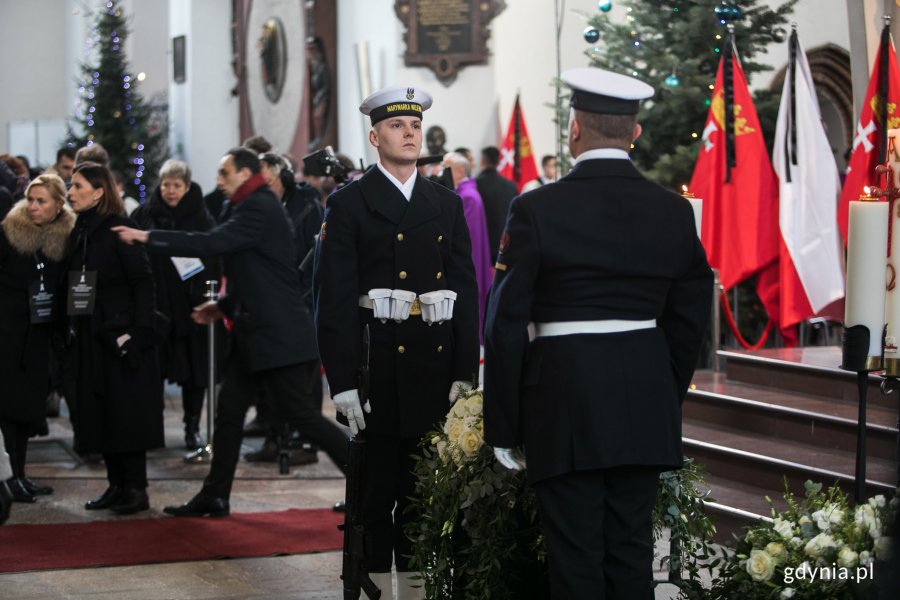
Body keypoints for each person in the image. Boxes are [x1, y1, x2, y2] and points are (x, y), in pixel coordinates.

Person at [483, 67, 713, 599]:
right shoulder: (674, 211)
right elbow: (689, 319)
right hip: (643, 403)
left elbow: (505, 325)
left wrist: (504, 424)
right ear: (634, 132)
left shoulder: (536, 208)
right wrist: (663, 389)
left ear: (574, 130)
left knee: (574, 557)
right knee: (632, 552)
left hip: (563, 404)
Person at [112, 147, 350, 518]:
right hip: (253, 333)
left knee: (303, 418)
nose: (218, 181)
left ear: (245, 173)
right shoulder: (244, 206)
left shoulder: (258, 206)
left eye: (224, 174)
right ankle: (215, 495)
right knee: (228, 415)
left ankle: (371, 481)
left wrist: (146, 237)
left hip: (279, 335)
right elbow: (251, 272)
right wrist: (222, 306)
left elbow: (209, 243)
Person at [314, 85, 480, 599]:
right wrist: (340, 382)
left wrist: (463, 372)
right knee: (374, 498)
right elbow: (334, 299)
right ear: (374, 136)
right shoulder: (349, 204)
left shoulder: (444, 204)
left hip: (431, 370)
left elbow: (464, 291)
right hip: (375, 366)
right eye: (396, 126)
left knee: (421, 498)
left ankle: (413, 592)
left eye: (414, 127)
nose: (409, 133)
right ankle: (378, 590)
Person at [64, 161, 164, 515]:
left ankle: (136, 488)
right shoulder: (83, 229)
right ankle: (116, 485)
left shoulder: (121, 226)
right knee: (101, 410)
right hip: (92, 333)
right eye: (70, 185)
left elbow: (142, 280)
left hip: (120, 334)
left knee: (125, 412)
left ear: (99, 191)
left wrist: (138, 332)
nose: (70, 192)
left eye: (77, 186)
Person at [131, 159, 219, 450]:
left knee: (195, 371)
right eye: (166, 184)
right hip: (156, 302)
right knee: (152, 369)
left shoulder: (201, 217)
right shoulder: (145, 214)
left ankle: (192, 426)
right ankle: (149, 425)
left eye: (177, 185)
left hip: (189, 304)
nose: (170, 190)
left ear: (187, 186)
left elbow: (211, 256)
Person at [0, 174, 75, 502]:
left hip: (39, 334)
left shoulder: (65, 239)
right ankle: (9, 477)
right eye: (30, 199)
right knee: (7, 407)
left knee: (29, 406)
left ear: (59, 205)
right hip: (7, 333)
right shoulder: (7, 233)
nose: (33, 206)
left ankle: (22, 474)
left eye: (41, 201)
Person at [442, 151, 492, 342]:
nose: (442, 172)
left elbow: (462, 235)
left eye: (447, 168)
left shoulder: (467, 196)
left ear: (461, 171)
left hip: (471, 257)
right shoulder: (464, 193)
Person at [475, 146, 518, 263]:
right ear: (499, 161)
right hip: (507, 244)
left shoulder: (475, 185)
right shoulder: (511, 185)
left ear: (482, 161)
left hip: (483, 246)